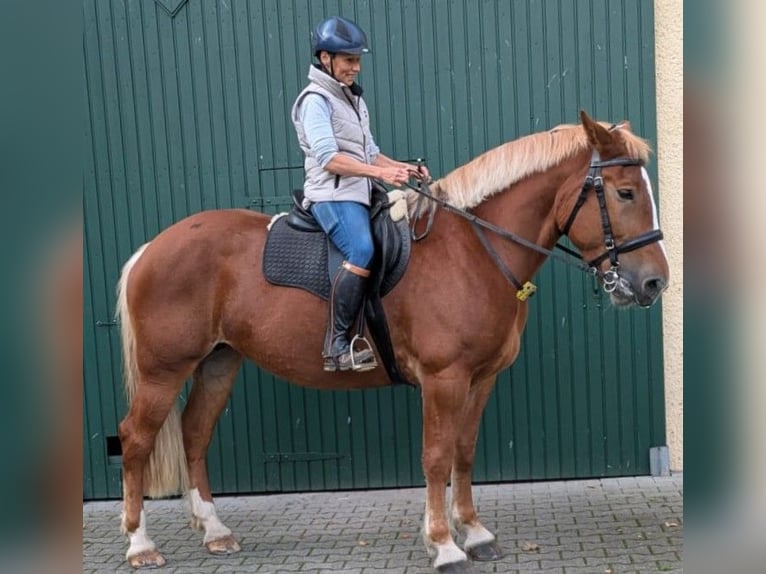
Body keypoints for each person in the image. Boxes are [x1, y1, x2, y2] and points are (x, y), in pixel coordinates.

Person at [291, 15, 429, 373]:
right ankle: (336, 345)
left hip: (359, 191)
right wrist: (381, 173)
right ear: (325, 59)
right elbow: (329, 159)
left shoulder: (351, 99)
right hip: (331, 197)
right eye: (349, 60)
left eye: (357, 60)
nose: (356, 67)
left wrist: (404, 167)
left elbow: (368, 153)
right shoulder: (315, 101)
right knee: (362, 248)